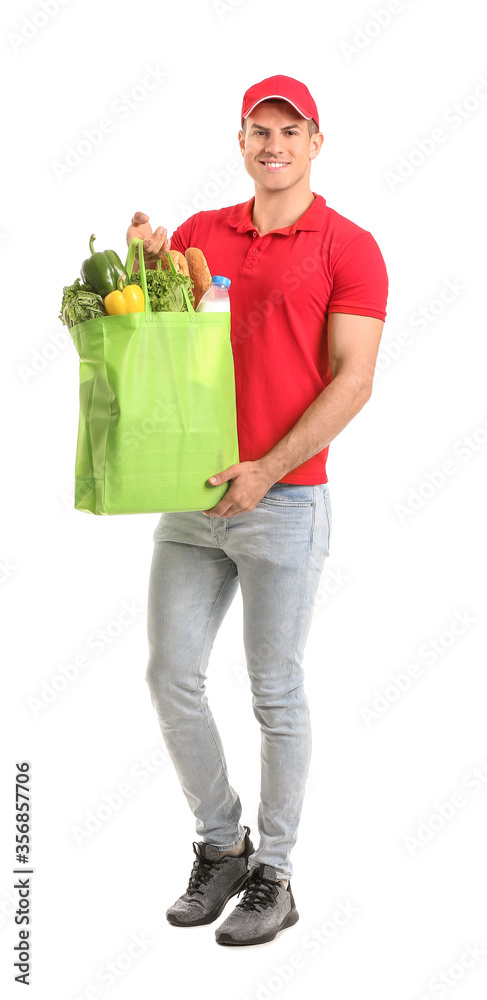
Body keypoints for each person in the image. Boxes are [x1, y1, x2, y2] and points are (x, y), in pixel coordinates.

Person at [126, 74, 388, 948]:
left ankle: (275, 872)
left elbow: (353, 378)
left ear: (317, 141)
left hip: (284, 499)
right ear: (240, 140)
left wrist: (268, 469)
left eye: (290, 131)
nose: (272, 145)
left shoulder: (348, 246)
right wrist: (141, 263)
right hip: (194, 495)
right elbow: (159, 341)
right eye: (257, 131)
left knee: (274, 690)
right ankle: (221, 843)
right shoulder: (203, 234)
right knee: (170, 675)